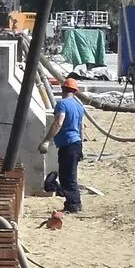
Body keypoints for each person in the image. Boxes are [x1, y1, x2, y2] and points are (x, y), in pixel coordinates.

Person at [51, 76, 87, 214]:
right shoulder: (79, 106)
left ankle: (73, 205)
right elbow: (81, 127)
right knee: (70, 175)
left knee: (67, 177)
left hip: (68, 145)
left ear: (63, 89)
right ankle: (73, 204)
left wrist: (48, 139)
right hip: (76, 143)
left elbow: (58, 123)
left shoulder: (62, 104)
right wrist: (81, 148)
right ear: (75, 91)